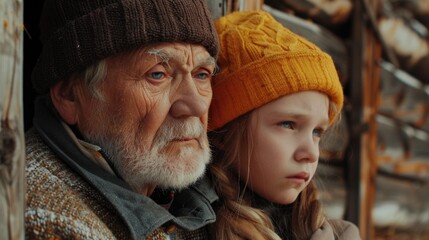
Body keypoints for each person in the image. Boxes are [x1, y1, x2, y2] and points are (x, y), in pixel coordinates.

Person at [25, 0, 219, 239]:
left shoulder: (204, 196)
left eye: (202, 75)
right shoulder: (49, 220)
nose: (196, 105)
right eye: (157, 74)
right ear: (70, 96)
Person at [208, 11, 361, 240]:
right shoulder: (185, 229)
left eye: (317, 132)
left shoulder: (342, 236)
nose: (310, 153)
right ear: (225, 131)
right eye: (288, 124)